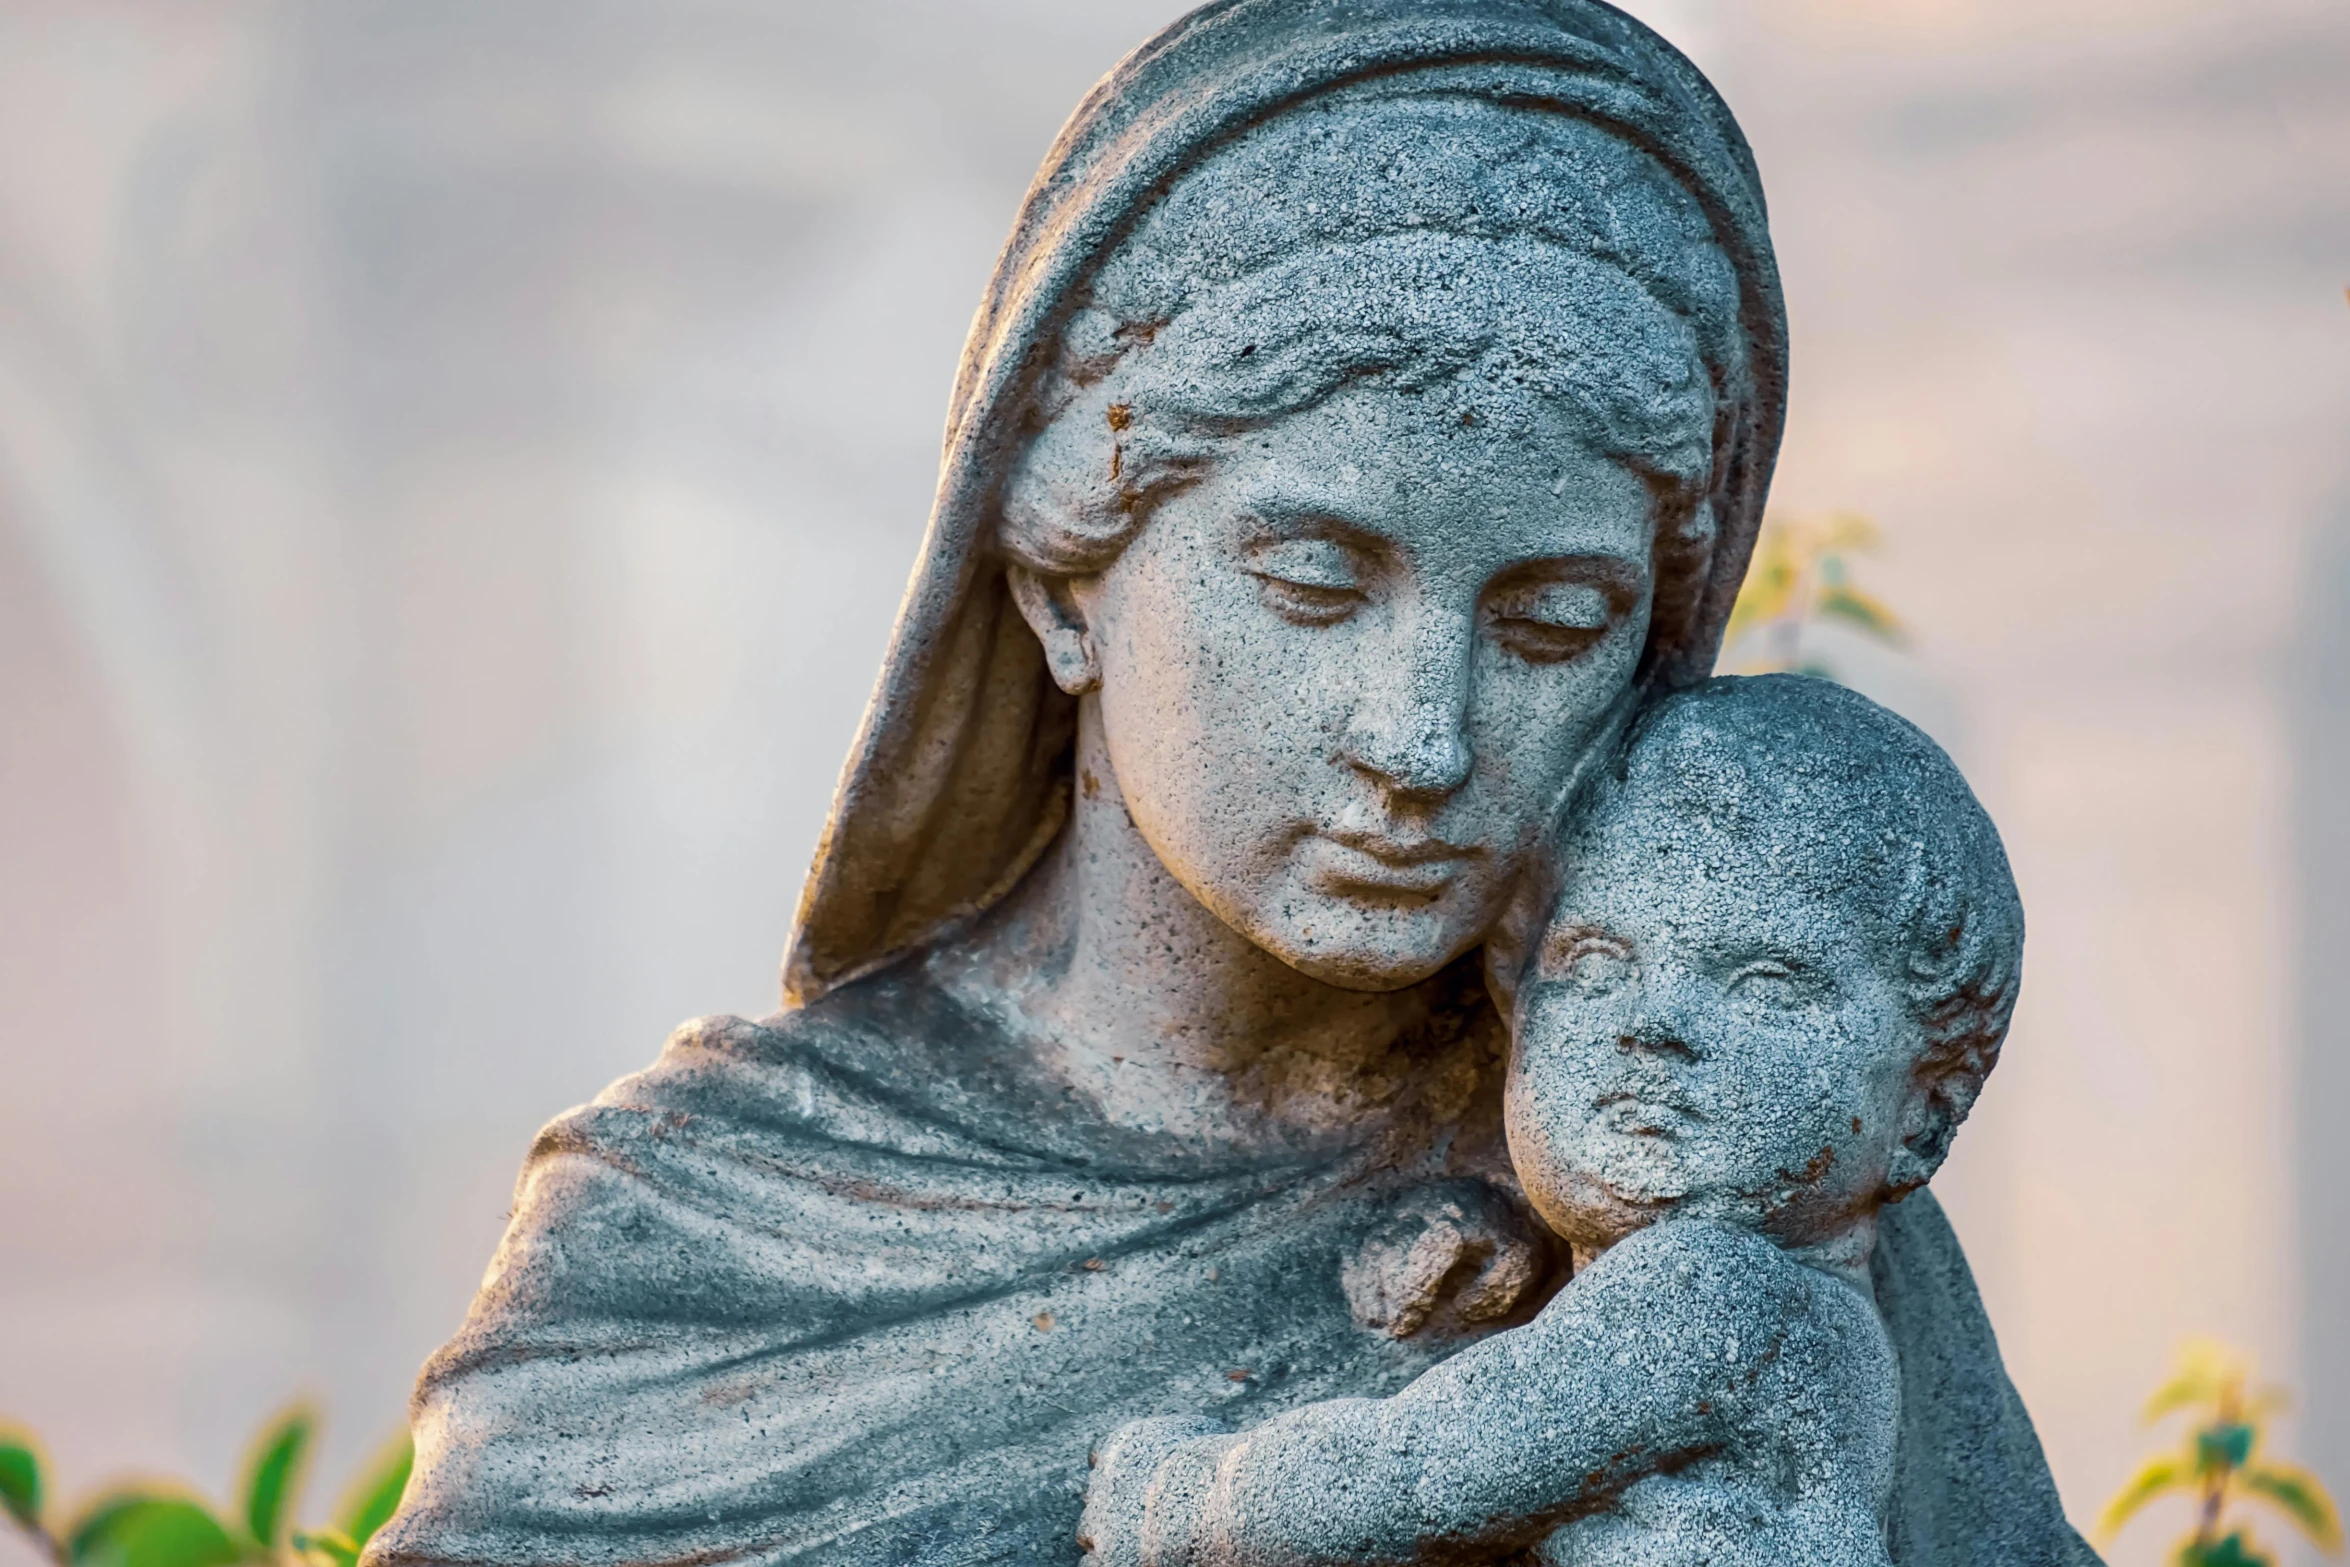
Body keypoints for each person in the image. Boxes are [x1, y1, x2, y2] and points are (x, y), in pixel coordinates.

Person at [364, 6, 2094, 1565]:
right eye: (1316, 586)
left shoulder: (1715, 1164)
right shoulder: (697, 1249)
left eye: (1557, 621)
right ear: (1063, 573)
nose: (1423, 737)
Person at [1078, 675, 2023, 1567]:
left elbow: (1417, 1476)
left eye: (1766, 986)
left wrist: (1180, 1500)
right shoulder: (1797, 1327)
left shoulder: (1716, 1294)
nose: (1653, 1027)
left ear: (1925, 1113)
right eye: (1599, 960)